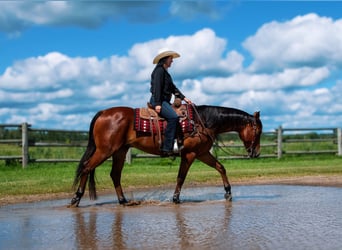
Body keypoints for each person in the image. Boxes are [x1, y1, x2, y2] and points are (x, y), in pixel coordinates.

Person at [149, 50, 192, 157]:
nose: (172, 61)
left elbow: (173, 88)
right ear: (165, 59)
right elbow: (157, 88)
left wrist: (184, 97)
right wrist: (158, 103)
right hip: (158, 100)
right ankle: (167, 148)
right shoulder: (159, 71)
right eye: (170, 59)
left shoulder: (165, 72)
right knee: (173, 117)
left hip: (163, 101)